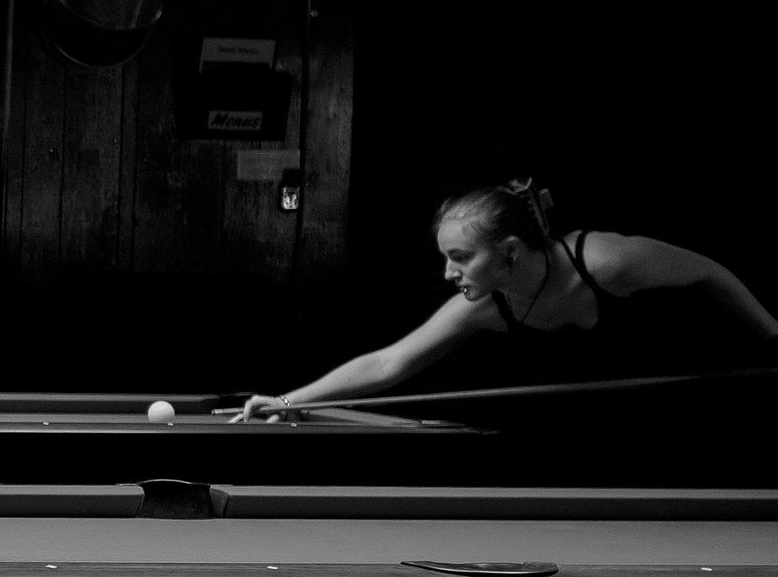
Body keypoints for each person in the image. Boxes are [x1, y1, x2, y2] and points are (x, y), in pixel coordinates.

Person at [239, 180, 778, 420]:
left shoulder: (610, 262)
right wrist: (290, 401)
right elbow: (388, 361)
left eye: (460, 256)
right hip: (617, 435)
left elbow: (711, 274)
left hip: (714, 402)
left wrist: (773, 336)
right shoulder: (485, 303)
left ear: (511, 252)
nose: (447, 272)